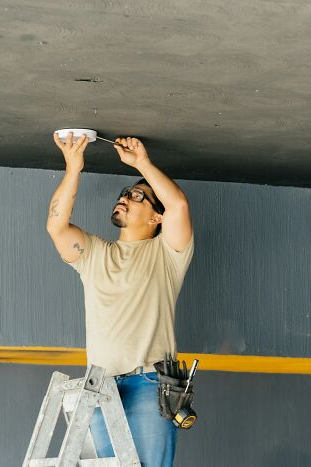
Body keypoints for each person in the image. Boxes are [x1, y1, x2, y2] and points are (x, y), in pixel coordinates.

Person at [47, 131, 194, 466]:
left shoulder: (168, 253)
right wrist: (73, 168)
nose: (126, 197)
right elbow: (57, 227)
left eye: (138, 197)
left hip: (150, 384)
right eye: (126, 192)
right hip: (100, 387)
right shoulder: (95, 253)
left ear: (156, 218)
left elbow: (179, 205)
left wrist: (141, 162)